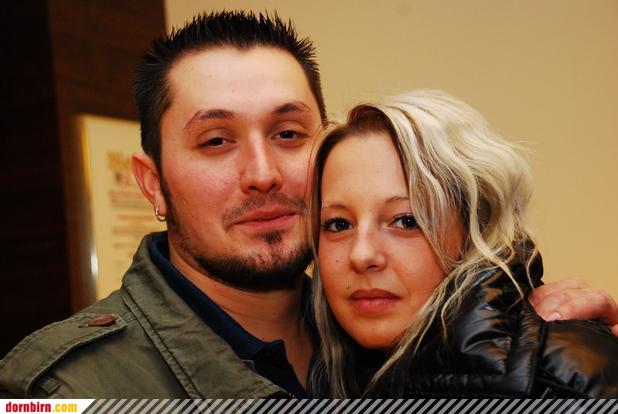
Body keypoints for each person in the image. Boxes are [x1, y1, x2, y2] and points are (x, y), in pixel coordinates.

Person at [0, 11, 615, 398]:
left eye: (289, 133)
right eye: (216, 141)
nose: (263, 174)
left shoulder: (391, 340)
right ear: (153, 184)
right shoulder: (61, 390)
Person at [307, 89, 618, 398]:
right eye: (339, 224)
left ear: (476, 230)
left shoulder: (557, 378)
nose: (362, 254)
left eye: (406, 221)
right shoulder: (331, 376)